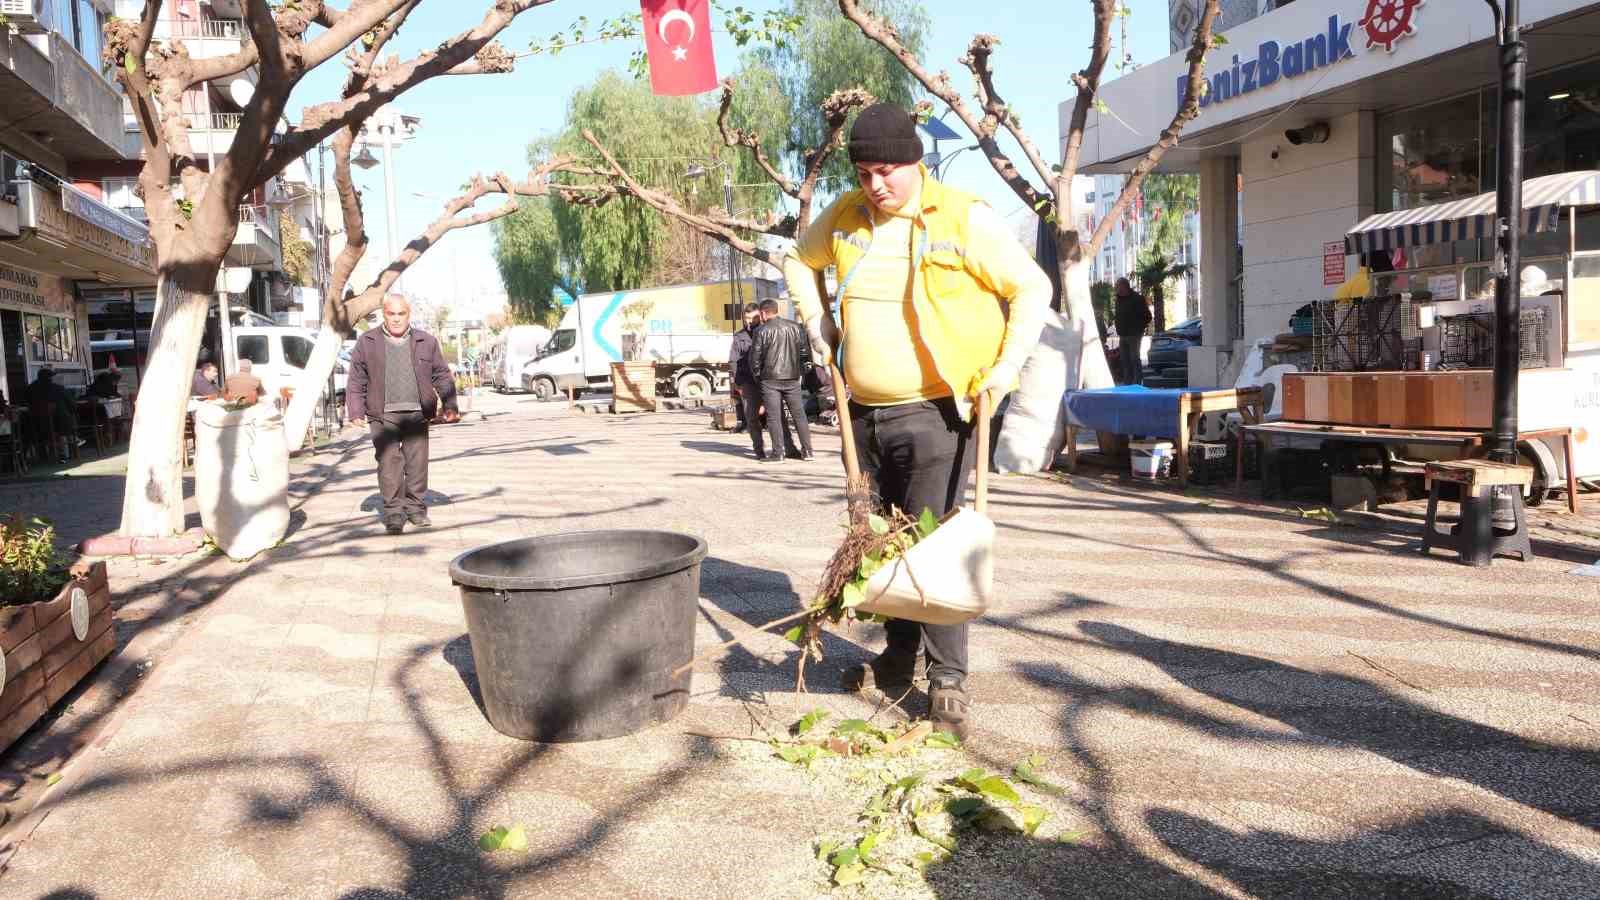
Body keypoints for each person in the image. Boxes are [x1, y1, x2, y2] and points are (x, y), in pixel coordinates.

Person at [783, 102, 1050, 738]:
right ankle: (898, 655)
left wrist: (1004, 371)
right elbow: (799, 261)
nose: (876, 185)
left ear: (915, 163)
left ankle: (949, 681)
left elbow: (1031, 288)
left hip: (938, 410)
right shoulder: (846, 214)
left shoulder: (961, 216)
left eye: (888, 171)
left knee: (937, 548)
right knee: (886, 544)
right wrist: (817, 322)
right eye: (865, 173)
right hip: (864, 413)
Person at [346, 294, 460, 535]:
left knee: (417, 465)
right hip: (382, 414)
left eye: (401, 314)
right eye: (391, 313)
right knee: (389, 465)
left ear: (409, 314)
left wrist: (449, 404)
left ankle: (416, 509)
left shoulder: (425, 341)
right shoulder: (367, 342)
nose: (396, 319)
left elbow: (441, 374)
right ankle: (394, 513)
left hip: (418, 413)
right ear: (384, 314)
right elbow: (357, 379)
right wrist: (355, 409)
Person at [749, 298, 813, 463]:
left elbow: (754, 359)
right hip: (792, 378)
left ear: (763, 313)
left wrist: (758, 377)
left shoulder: (761, 331)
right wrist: (800, 373)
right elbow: (805, 354)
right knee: (799, 416)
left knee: (774, 417)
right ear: (776, 310)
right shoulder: (795, 327)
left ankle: (778, 453)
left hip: (770, 379)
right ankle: (808, 451)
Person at [27, 368, 83, 462]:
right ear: (50, 378)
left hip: (37, 426)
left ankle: (43, 455)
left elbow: (26, 403)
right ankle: (68, 450)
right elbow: (72, 405)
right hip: (61, 425)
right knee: (68, 418)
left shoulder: (30, 389)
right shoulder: (58, 388)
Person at [727, 302, 761, 444]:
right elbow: (733, 361)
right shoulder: (739, 336)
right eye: (746, 318)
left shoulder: (766, 332)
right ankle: (758, 448)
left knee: (774, 416)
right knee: (751, 416)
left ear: (760, 316)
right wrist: (738, 382)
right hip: (747, 380)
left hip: (767, 379)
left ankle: (780, 448)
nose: (749, 321)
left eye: (752, 318)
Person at [1113, 277, 1151, 386]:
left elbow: (1147, 317)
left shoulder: (1137, 299)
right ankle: (1127, 384)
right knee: (1125, 361)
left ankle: (1137, 383)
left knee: (1134, 358)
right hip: (1122, 335)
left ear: (1125, 286)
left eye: (1118, 286)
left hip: (1134, 335)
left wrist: (1138, 328)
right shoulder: (1118, 300)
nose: (1117, 289)